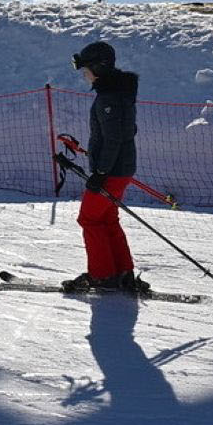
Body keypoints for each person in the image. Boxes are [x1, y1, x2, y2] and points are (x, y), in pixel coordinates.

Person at [63, 42, 150, 294]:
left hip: (111, 172)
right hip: (120, 169)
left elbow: (115, 138)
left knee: (89, 218)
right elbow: (125, 131)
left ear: (98, 68)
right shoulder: (119, 93)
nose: (84, 74)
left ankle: (101, 275)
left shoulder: (109, 98)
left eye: (86, 68)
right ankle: (122, 273)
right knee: (107, 219)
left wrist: (101, 172)